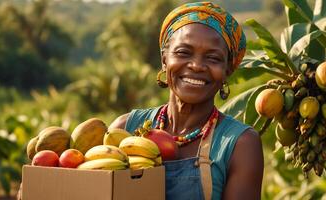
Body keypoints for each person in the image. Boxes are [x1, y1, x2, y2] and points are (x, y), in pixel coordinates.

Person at [109, 2, 264, 200]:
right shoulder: (125, 129)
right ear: (164, 60)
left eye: (213, 58)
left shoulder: (240, 145)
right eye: (183, 52)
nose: (197, 66)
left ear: (227, 71)